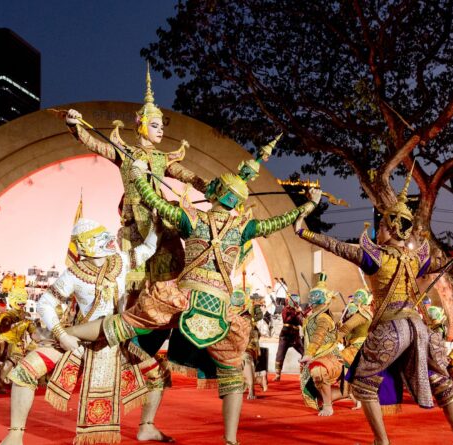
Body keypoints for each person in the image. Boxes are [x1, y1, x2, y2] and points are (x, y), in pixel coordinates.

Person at [65, 146, 320, 444]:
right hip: (218, 308)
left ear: (216, 195)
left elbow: (154, 201)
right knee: (231, 372)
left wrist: (138, 176)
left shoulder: (193, 219)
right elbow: (282, 221)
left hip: (181, 300)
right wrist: (310, 205)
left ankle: (63, 332)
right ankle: (230, 440)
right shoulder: (243, 227)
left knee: (124, 324)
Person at [294, 170, 453, 445]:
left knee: (363, 385)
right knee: (442, 384)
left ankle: (381, 440)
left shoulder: (374, 256)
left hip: (390, 327)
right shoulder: (417, 259)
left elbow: (334, 245)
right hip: (420, 329)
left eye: (382, 226)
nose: (378, 231)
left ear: (391, 228)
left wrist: (302, 228)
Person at [65, 67, 209, 441]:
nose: (160, 130)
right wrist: (75, 125)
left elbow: (186, 174)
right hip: (134, 232)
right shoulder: (125, 153)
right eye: (155, 124)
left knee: (173, 280)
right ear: (140, 125)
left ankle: (148, 420)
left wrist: (205, 184)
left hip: (162, 231)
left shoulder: (162, 160)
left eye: (162, 125)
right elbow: (95, 144)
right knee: (129, 290)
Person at [0, 217, 161, 445]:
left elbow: (148, 248)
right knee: (24, 371)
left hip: (115, 342)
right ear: (87, 244)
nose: (110, 239)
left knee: (158, 374)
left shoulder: (120, 261)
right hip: (80, 343)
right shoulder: (74, 274)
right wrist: (62, 335)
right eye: (102, 236)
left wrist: (156, 224)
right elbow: (45, 303)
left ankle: (147, 427)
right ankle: (15, 435)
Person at [299, 272, 344, 416]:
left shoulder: (324, 317)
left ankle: (328, 406)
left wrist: (308, 354)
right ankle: (344, 393)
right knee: (315, 382)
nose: (312, 300)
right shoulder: (313, 316)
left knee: (317, 370)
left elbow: (318, 336)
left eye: (315, 297)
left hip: (330, 356)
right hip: (316, 355)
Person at [337, 288, 373, 406]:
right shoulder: (367, 312)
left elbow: (347, 328)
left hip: (358, 346)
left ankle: (350, 394)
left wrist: (334, 338)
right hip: (362, 345)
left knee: (340, 360)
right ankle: (353, 396)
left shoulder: (362, 314)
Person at [274, 293, 304, 382]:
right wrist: (296, 313)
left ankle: (303, 374)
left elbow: (301, 323)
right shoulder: (285, 309)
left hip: (295, 336)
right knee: (280, 354)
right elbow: (286, 320)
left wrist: (302, 314)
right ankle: (277, 374)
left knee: (305, 352)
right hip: (285, 335)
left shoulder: (298, 310)